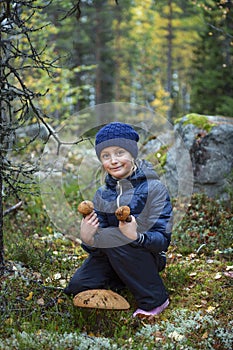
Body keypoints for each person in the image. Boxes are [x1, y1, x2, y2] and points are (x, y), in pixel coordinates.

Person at [64, 122, 173, 318]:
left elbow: (162, 240)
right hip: (114, 253)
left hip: (146, 254)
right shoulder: (102, 194)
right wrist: (89, 240)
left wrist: (136, 236)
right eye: (106, 156)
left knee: (116, 238)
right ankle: (125, 279)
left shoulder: (154, 189)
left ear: (132, 154)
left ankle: (155, 299)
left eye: (120, 152)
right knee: (77, 288)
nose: (113, 161)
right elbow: (101, 240)